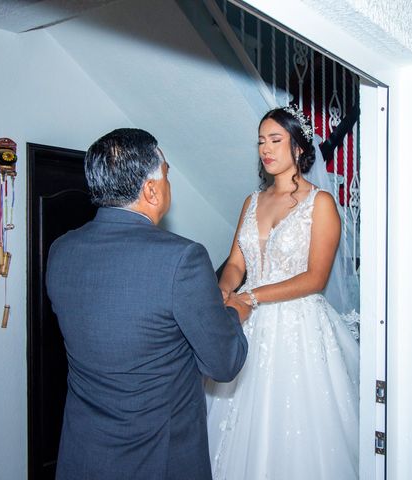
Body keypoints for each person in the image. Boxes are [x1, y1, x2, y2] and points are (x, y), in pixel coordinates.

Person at [46, 128, 250, 480]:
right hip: (159, 459)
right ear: (152, 190)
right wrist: (232, 312)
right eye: (167, 173)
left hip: (84, 454)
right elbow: (224, 362)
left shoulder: (61, 250)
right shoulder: (181, 258)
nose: (169, 183)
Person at [206, 108, 360, 479]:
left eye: (276, 140)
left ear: (299, 148)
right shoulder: (251, 202)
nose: (266, 149)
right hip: (245, 319)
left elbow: (314, 278)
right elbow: (236, 263)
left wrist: (252, 296)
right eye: (261, 141)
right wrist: (225, 289)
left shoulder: (320, 203)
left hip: (297, 324)